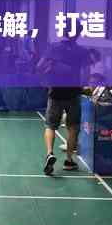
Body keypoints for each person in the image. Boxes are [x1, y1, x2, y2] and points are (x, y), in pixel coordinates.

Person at [37, 23, 92, 175]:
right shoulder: (82, 51)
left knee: (50, 125)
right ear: (78, 34)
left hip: (55, 92)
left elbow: (39, 66)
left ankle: (50, 153)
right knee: (73, 127)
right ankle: (69, 160)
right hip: (73, 93)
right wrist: (83, 87)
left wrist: (45, 77)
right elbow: (86, 73)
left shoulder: (53, 47)